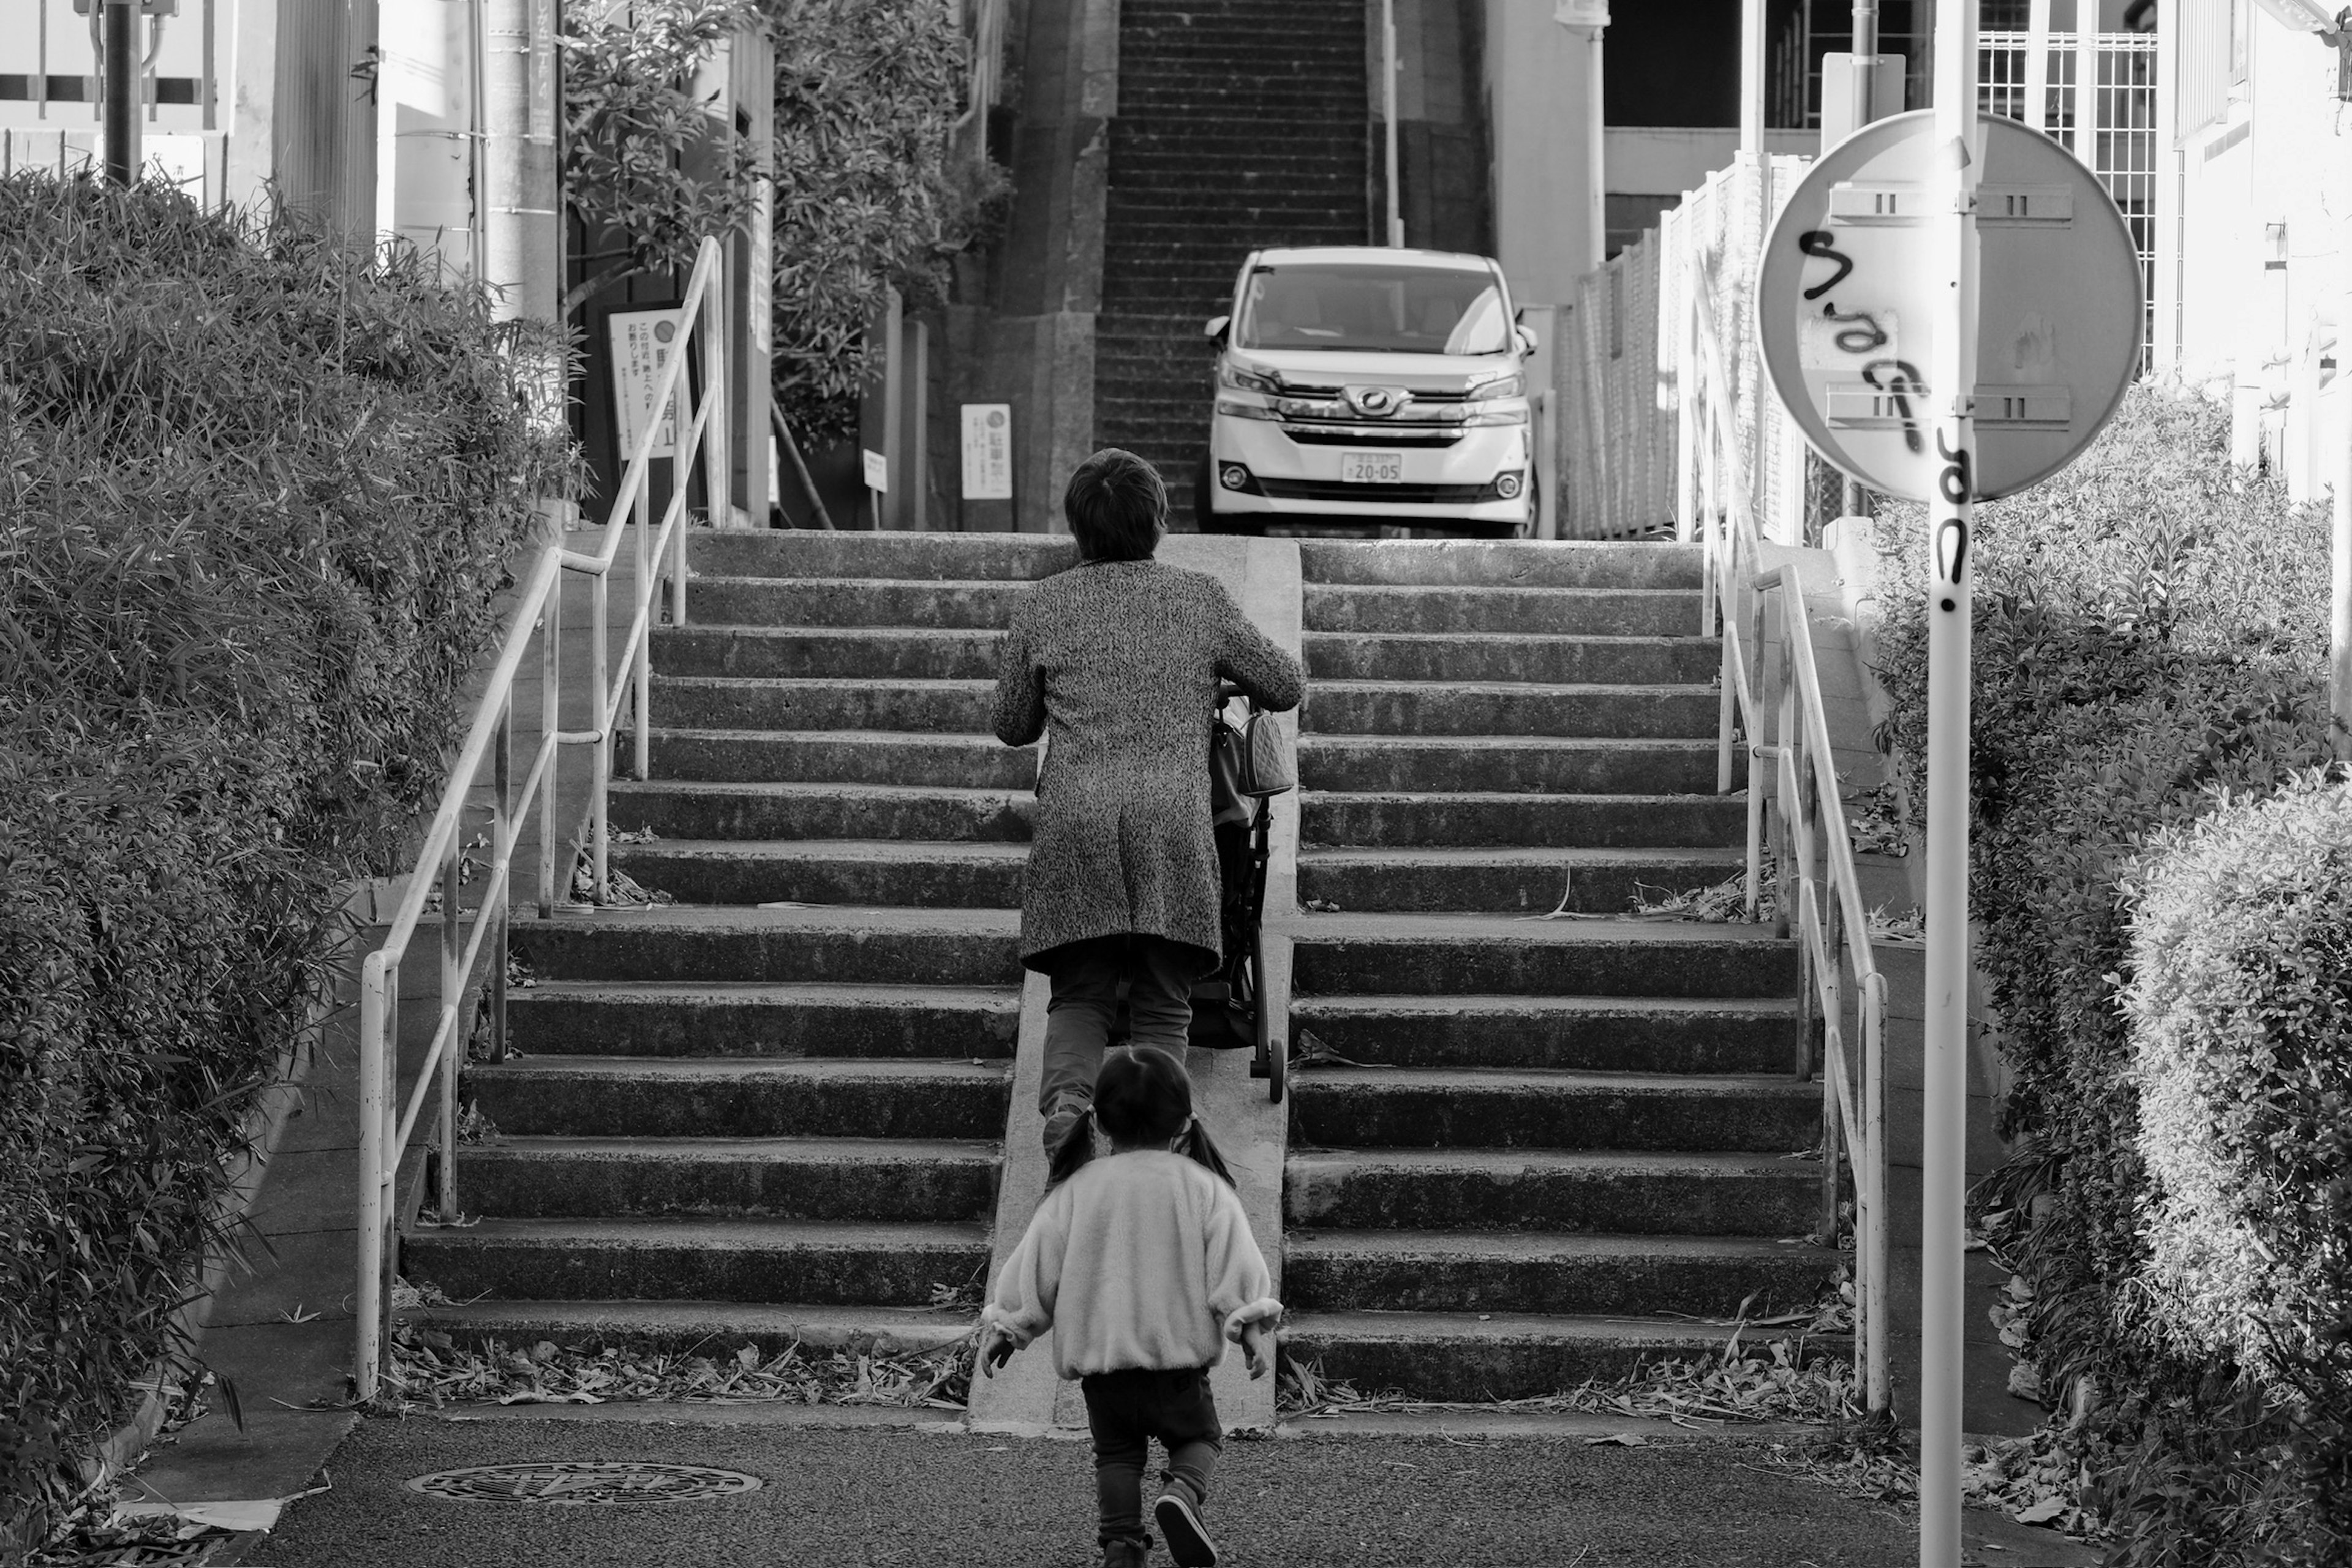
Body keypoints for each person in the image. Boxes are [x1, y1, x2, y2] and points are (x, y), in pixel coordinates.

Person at [991, 448, 1305, 1156]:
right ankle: (1157, 1143)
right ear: (1160, 523)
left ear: (1078, 529)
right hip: (1173, 819)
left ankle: (1069, 1119)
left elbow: (1013, 726)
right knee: (1166, 998)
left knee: (1080, 997)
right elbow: (1283, 683)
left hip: (1077, 822)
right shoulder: (1199, 597)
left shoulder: (1043, 603)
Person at [978, 1046, 1281, 1568]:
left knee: (1117, 1457)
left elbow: (1035, 1271)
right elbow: (1236, 1267)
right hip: (1178, 1370)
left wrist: (1009, 1326)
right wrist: (1249, 1325)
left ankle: (1121, 1546)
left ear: (1096, 1122)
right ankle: (1182, 1492)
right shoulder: (1205, 1189)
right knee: (1201, 1437)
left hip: (1104, 1373)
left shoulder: (1074, 1193)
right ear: (1186, 1124)